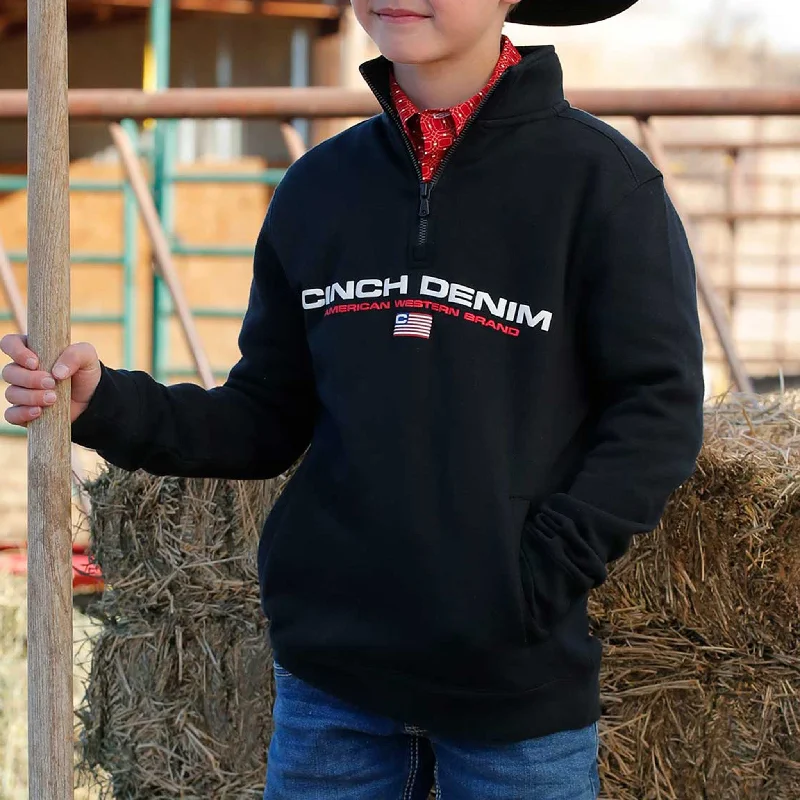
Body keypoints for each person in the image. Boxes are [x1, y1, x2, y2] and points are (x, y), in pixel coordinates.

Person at [1, 0, 705, 797]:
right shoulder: (320, 188)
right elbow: (265, 416)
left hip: (513, 690)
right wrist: (104, 403)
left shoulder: (601, 187)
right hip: (331, 688)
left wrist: (535, 576)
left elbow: (659, 409)